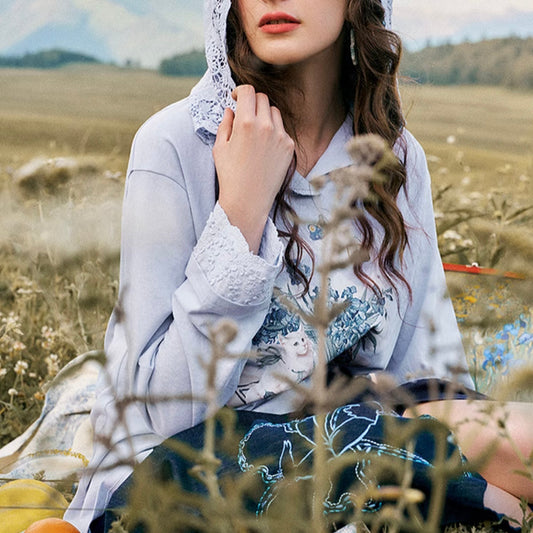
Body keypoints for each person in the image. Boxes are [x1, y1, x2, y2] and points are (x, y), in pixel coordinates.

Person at [29, 0, 532, 531]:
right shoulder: (177, 143)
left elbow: (425, 372)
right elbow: (166, 412)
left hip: (351, 440)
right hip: (186, 474)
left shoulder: (395, 156)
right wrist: (241, 212)